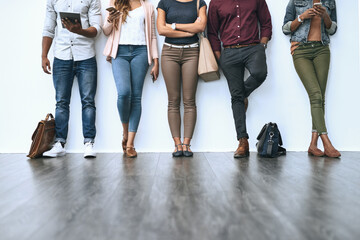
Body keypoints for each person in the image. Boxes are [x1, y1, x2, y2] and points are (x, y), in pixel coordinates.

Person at [207, 0, 272, 158]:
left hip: (252, 48)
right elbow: (212, 32)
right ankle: (243, 141)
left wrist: (261, 46)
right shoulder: (215, 2)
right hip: (229, 52)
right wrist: (220, 57)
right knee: (235, 96)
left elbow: (266, 23)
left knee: (259, 73)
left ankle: (242, 95)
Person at [41, 0, 102, 158]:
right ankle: (60, 144)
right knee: (61, 101)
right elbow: (49, 28)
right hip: (61, 55)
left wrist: (79, 30)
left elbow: (97, 29)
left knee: (88, 101)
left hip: (86, 56)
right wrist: (43, 55)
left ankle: (89, 143)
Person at [283, 0, 340, 157]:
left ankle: (313, 144)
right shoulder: (295, 1)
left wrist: (326, 16)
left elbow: (333, 29)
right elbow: (285, 28)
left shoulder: (329, 1)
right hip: (301, 50)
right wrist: (302, 17)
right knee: (315, 95)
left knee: (320, 98)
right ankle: (326, 142)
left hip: (322, 50)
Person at [103, 0, 159, 158]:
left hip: (141, 52)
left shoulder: (148, 7)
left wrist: (156, 61)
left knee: (136, 97)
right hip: (119, 52)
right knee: (124, 93)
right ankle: (125, 132)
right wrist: (110, 19)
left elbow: (153, 36)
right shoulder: (115, 3)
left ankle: (130, 144)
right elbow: (106, 31)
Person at [157, 0, 207, 157]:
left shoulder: (200, 2)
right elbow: (160, 29)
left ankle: (187, 144)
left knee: (189, 100)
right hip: (169, 53)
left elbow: (200, 27)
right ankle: (177, 144)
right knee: (173, 100)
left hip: (192, 52)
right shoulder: (164, 2)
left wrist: (173, 26)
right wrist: (188, 31)